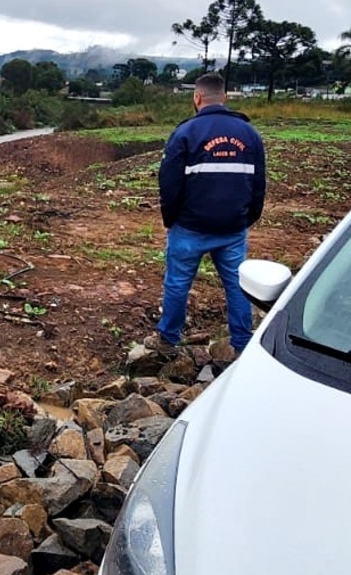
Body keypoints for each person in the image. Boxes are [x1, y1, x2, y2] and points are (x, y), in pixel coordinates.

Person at [145, 72, 266, 361]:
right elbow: (258, 184)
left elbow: (169, 183)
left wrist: (170, 219)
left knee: (177, 283)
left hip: (189, 228)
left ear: (197, 98)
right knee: (238, 286)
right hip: (233, 229)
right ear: (224, 97)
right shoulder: (250, 134)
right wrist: (246, 219)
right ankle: (241, 345)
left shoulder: (185, 133)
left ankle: (168, 339)